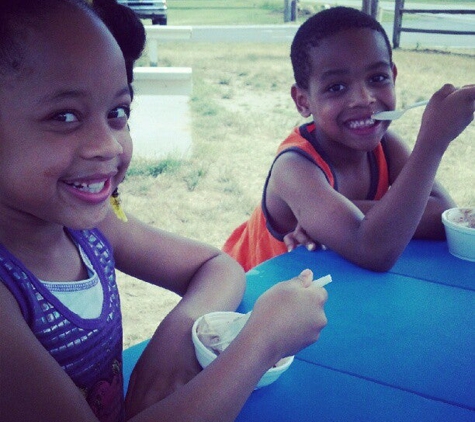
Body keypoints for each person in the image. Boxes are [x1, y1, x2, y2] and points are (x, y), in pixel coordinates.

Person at [0, 1, 329, 421]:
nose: (110, 145)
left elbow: (216, 265)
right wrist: (261, 341)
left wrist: (176, 333)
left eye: (117, 112)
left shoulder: (93, 230)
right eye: (65, 116)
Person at [223, 6, 474, 272]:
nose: (364, 98)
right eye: (336, 87)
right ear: (303, 101)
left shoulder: (386, 146)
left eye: (377, 78)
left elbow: (445, 215)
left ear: (394, 76)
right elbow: (373, 249)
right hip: (249, 298)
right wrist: (432, 143)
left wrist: (343, 219)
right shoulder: (294, 167)